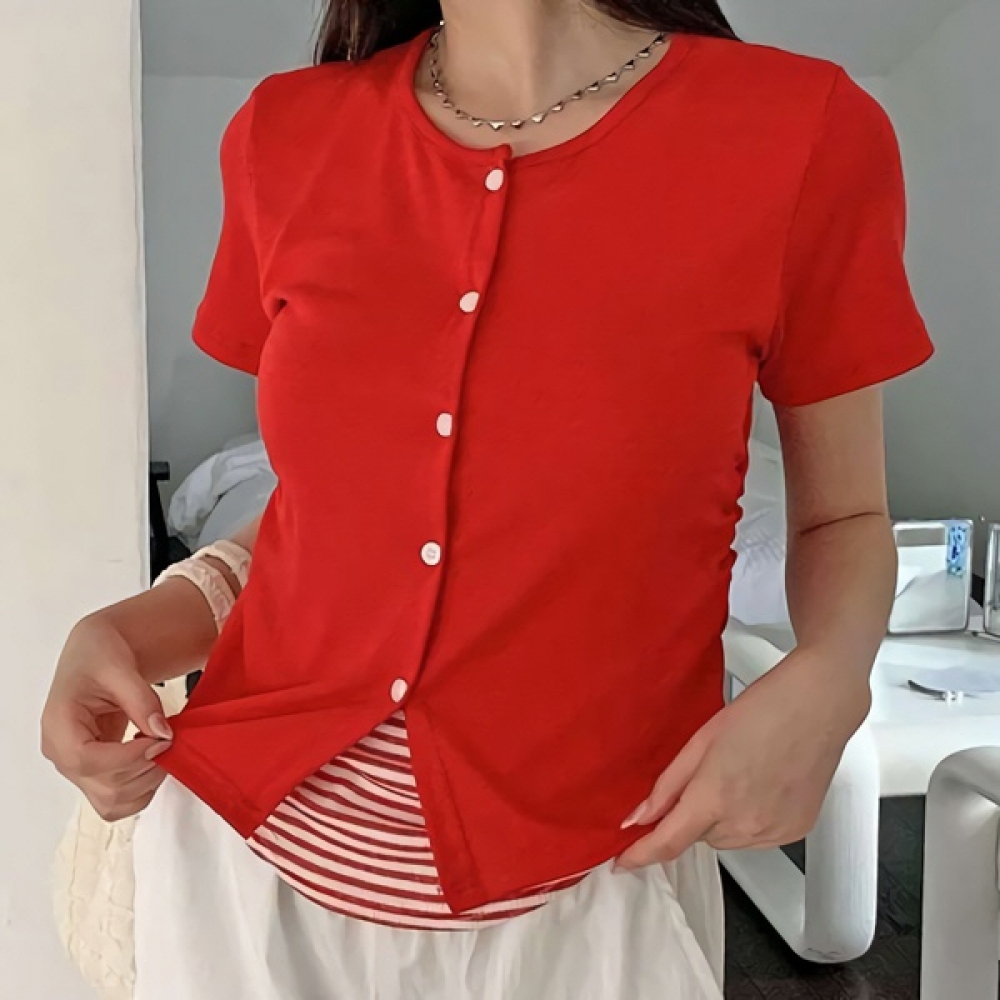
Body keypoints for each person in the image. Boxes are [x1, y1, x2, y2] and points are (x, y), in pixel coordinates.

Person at [41, 1, 934, 997]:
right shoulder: (282, 133)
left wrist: (832, 679)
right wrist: (129, 630)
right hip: (238, 892)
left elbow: (843, 516)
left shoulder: (799, 131)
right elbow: (322, 511)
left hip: (588, 893)